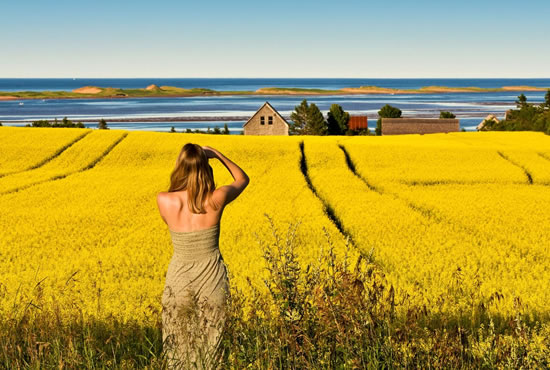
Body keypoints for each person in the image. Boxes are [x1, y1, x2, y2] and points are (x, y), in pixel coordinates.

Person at [156, 144, 249, 369]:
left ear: (180, 167)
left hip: (178, 280)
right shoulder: (216, 199)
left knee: (177, 347)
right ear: (205, 168)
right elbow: (242, 179)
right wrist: (217, 154)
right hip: (212, 280)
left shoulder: (164, 200)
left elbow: (170, 223)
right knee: (212, 348)